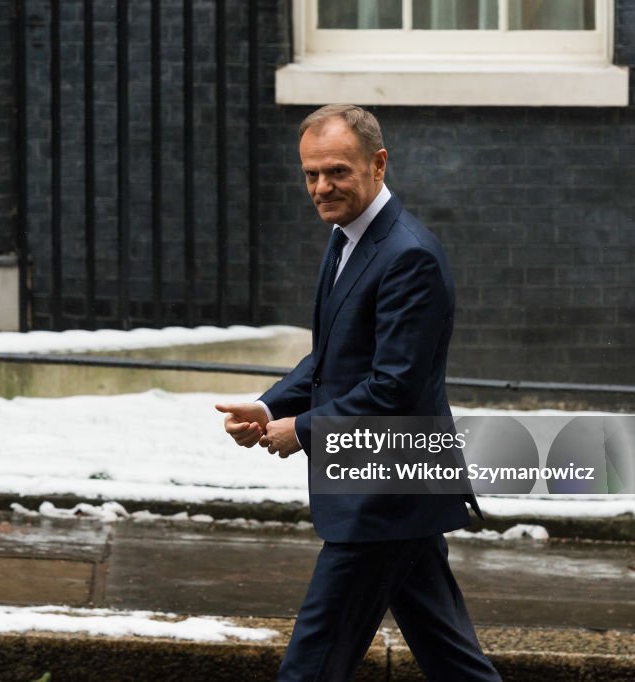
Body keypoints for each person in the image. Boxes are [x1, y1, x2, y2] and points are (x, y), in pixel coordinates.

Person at [216, 105, 501, 681]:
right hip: (396, 489)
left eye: (338, 172)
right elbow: (332, 357)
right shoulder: (349, 237)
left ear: (378, 164)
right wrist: (272, 404)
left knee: (313, 663)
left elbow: (393, 387)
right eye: (311, 174)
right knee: (452, 660)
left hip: (385, 490)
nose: (322, 187)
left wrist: (302, 429)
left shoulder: (407, 255)